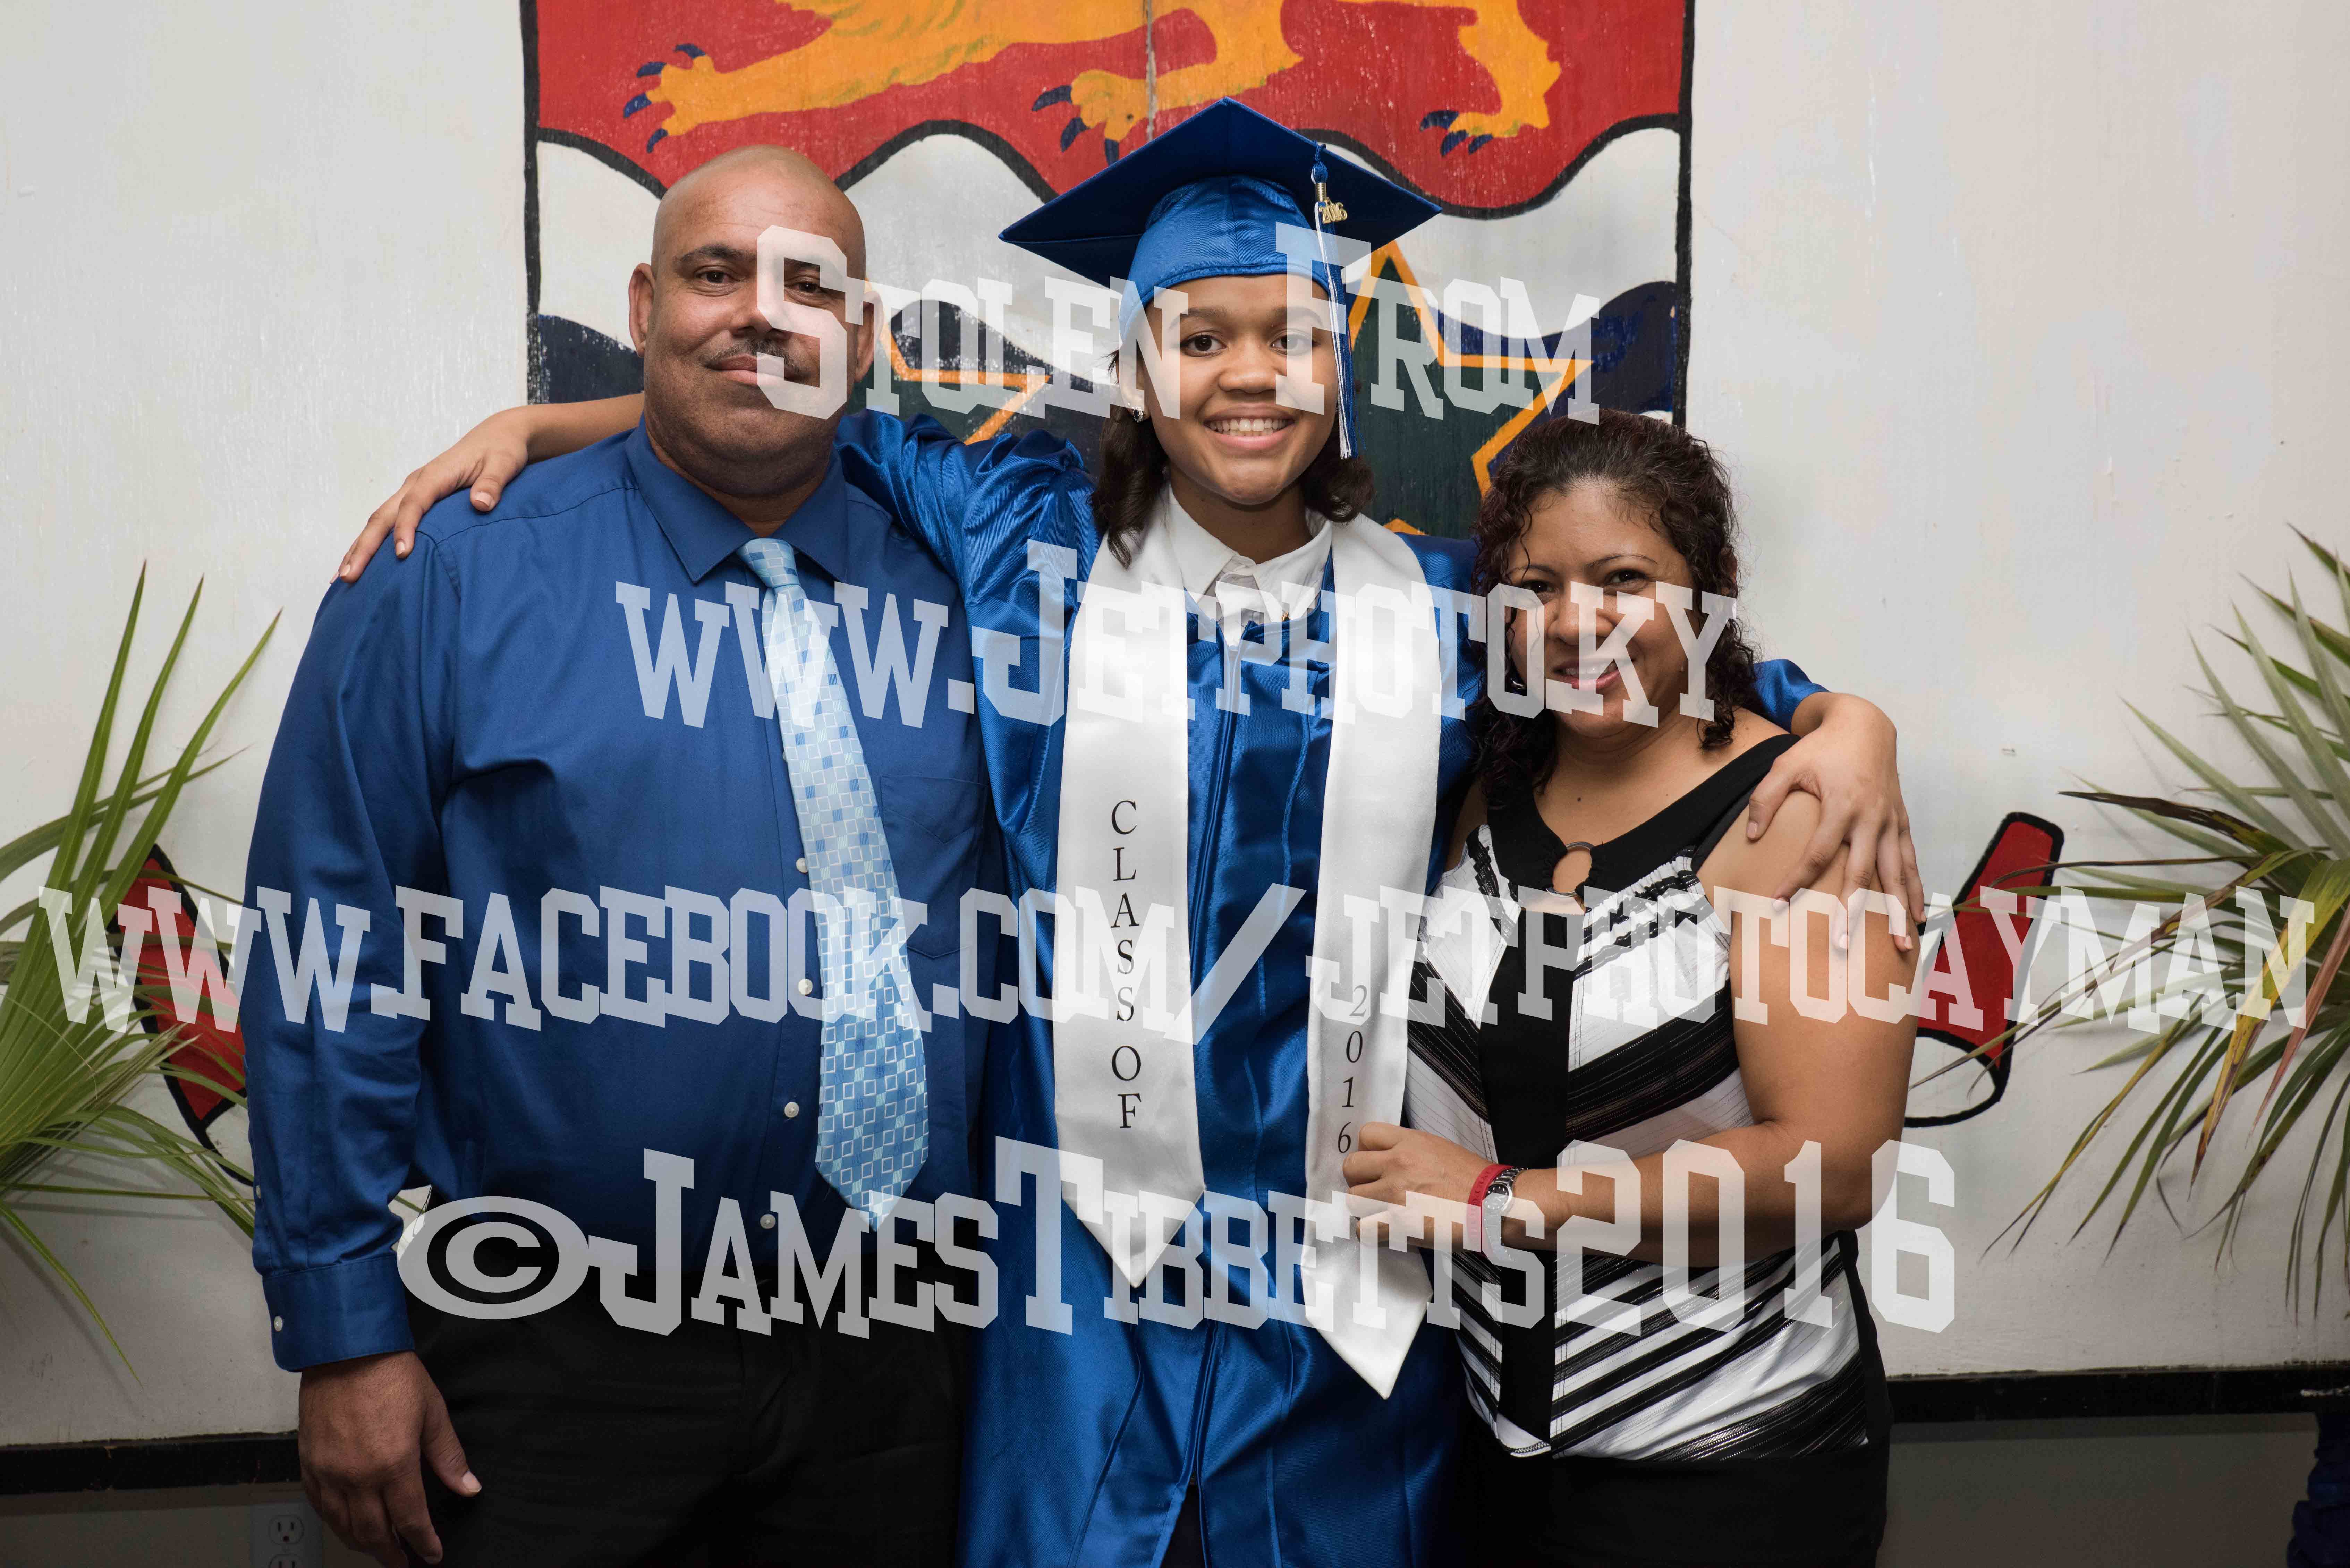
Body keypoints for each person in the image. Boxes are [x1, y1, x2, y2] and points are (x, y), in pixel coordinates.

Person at [343, 101, 1920, 1568]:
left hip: (1345, 1273)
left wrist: (1846, 720)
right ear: (1139, 366)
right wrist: (547, 423)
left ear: (1342, 363)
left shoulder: (1438, 607)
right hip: (1075, 1277)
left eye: (1292, 336)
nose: (1249, 376)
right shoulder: (1017, 535)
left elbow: (1651, 665)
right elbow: (771, 411)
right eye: (1200, 336)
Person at [245, 146, 992, 1568]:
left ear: (864, 338)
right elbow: (327, 952)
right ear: (644, 306)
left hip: (894, 1358)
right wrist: (343, 1332)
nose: (758, 314)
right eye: (714, 274)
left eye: (807, 286)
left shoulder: (974, 589)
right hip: (550, 1353)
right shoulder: (449, 575)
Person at [1341, 410, 1917, 1568]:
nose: (1576, 621)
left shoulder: (1799, 816)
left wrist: (1507, 1199)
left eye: (1624, 580)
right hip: (1490, 1452)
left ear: (1707, 594)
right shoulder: (1484, 793)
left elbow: (1833, 1167)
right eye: (1535, 587)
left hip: (1731, 1466)